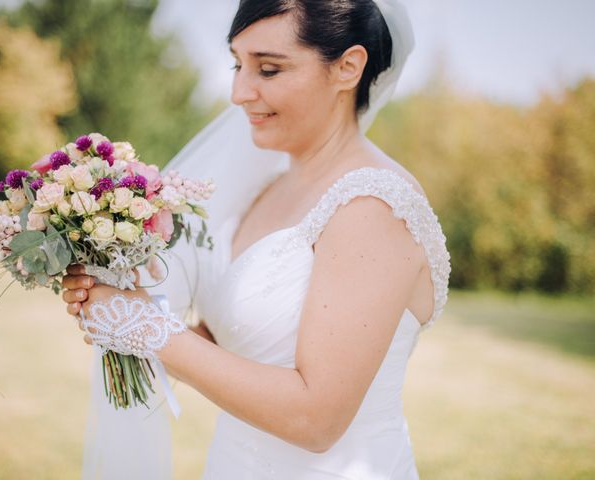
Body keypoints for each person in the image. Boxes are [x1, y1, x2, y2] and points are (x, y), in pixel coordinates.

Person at [62, 0, 451, 478]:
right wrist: (120, 305)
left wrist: (146, 329)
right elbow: (228, 350)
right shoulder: (263, 189)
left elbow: (316, 419)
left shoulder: (374, 205)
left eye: (267, 69)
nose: (239, 92)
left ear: (348, 68)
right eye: (237, 64)